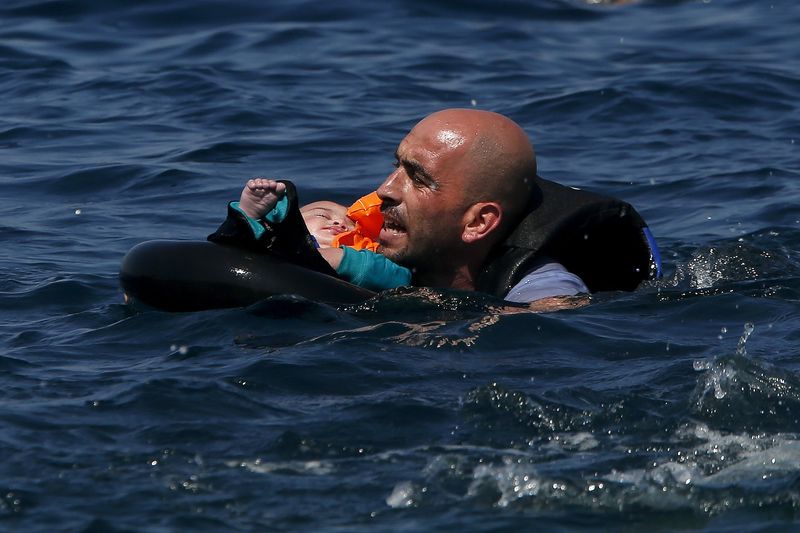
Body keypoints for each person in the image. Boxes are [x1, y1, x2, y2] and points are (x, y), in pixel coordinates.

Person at [374, 108, 592, 310]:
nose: (385, 189)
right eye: (397, 166)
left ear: (478, 222)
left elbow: (555, 320)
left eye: (418, 179)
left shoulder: (544, 291)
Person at [212, 177, 411, 292]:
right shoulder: (276, 241)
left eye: (352, 226)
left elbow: (399, 278)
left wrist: (337, 257)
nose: (338, 222)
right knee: (237, 237)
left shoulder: (367, 256)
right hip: (268, 264)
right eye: (321, 214)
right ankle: (247, 217)